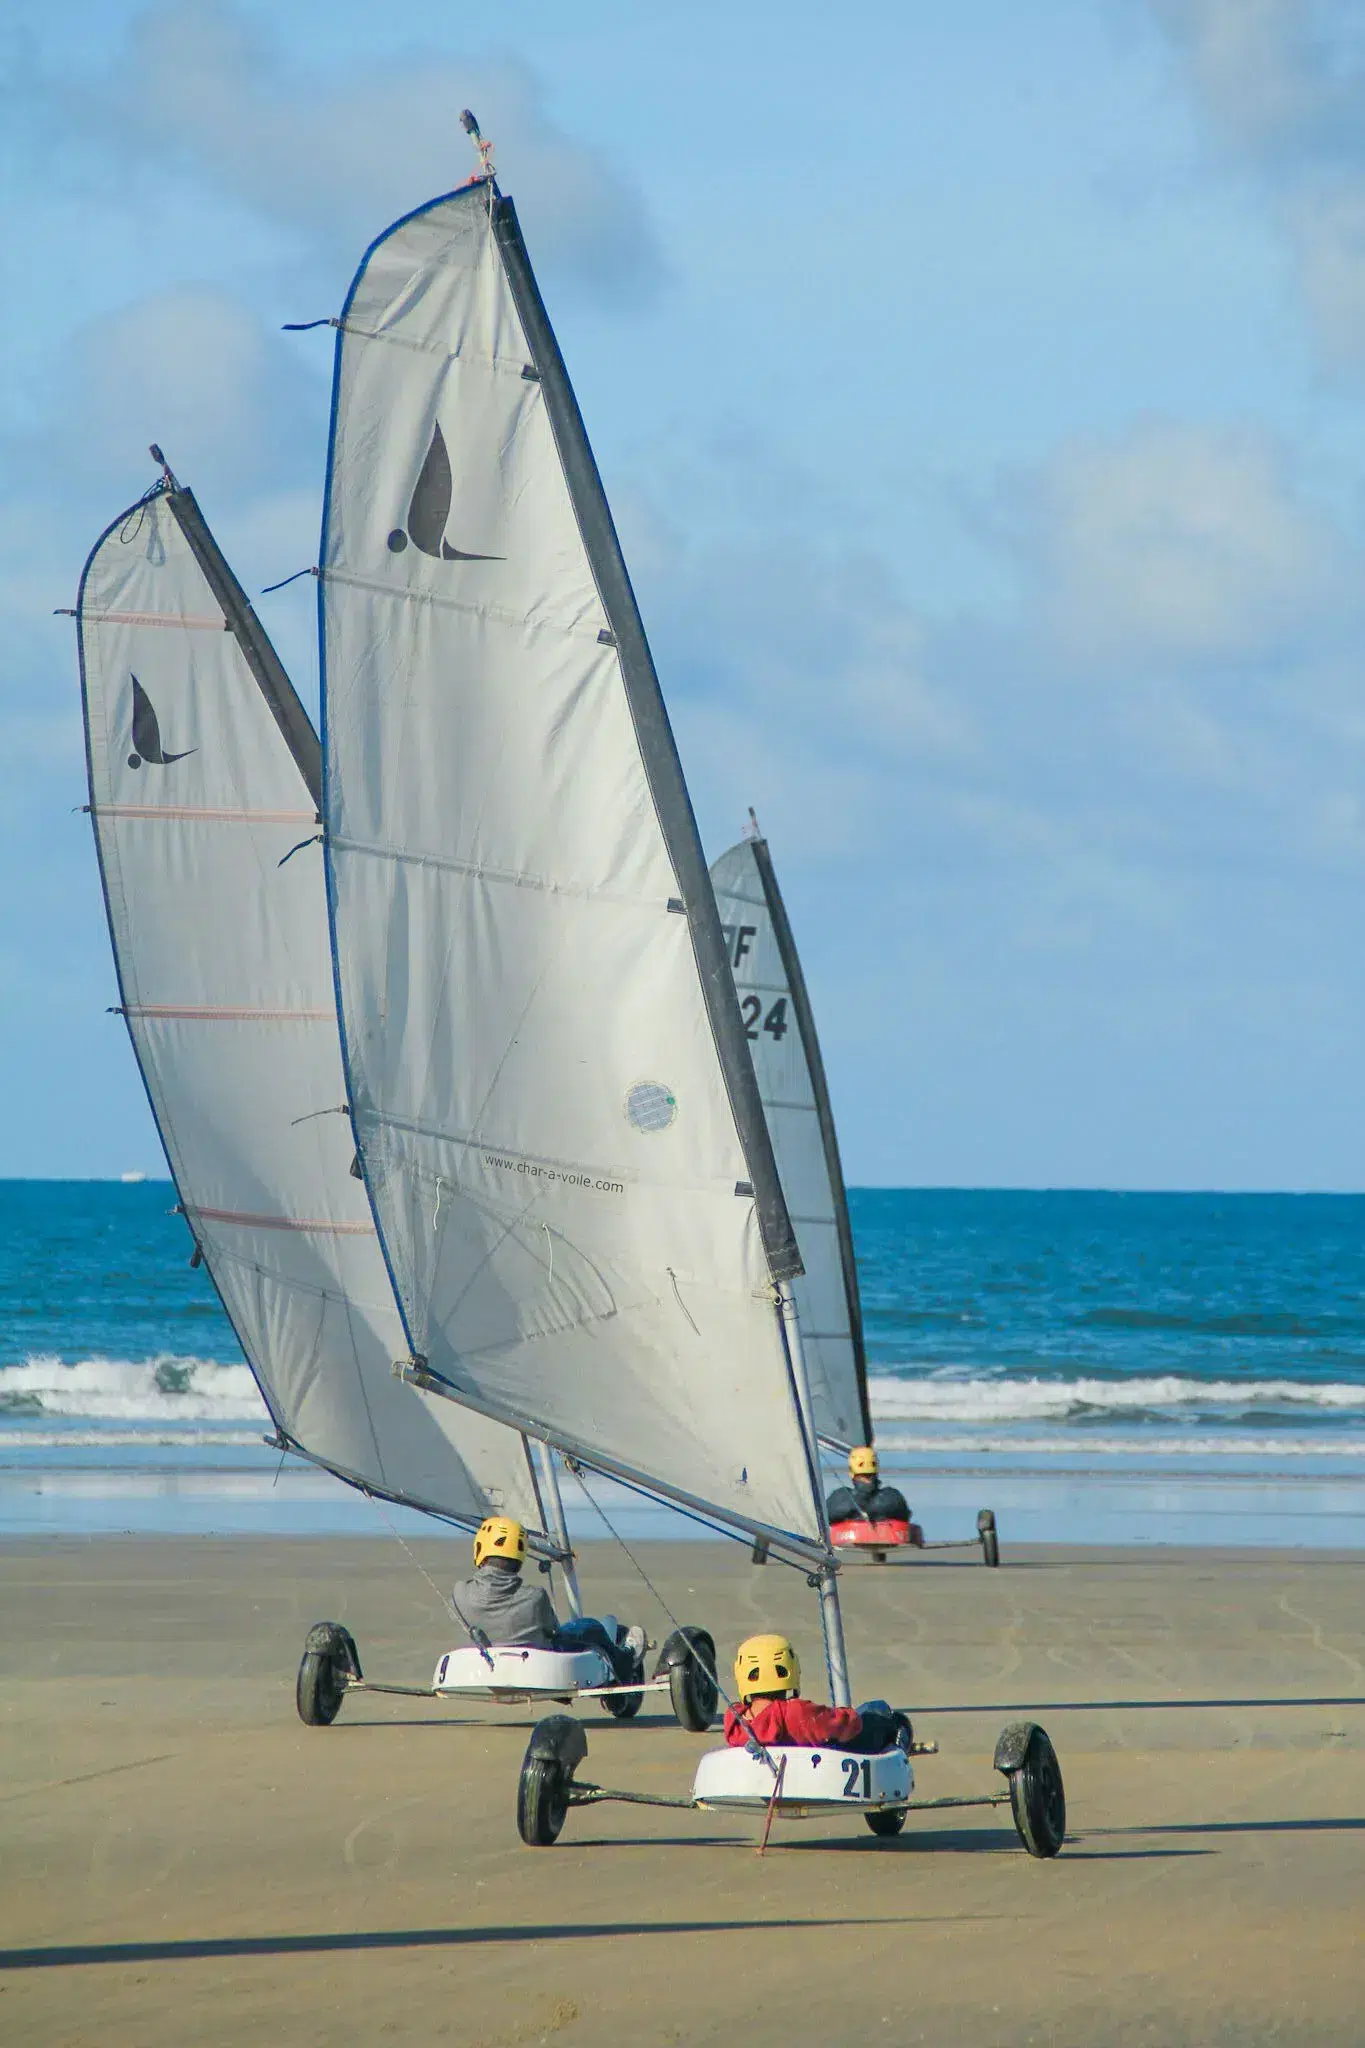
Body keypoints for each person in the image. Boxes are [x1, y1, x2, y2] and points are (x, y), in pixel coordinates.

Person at [450, 1516, 646, 1686]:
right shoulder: (534, 1597)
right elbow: (554, 1631)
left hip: (482, 1663)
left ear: (480, 1549)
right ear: (520, 1558)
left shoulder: (459, 1592)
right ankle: (623, 1663)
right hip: (537, 1664)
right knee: (589, 1626)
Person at [723, 1634, 912, 1754]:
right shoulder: (797, 1712)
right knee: (875, 1709)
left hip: (773, 1774)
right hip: (821, 1770)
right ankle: (898, 1748)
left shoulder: (734, 1721)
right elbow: (850, 1726)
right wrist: (844, 1713)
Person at [824, 1446, 921, 1540]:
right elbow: (906, 1516)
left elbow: (823, 1518)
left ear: (851, 1472)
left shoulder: (840, 1497)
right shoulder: (892, 1497)